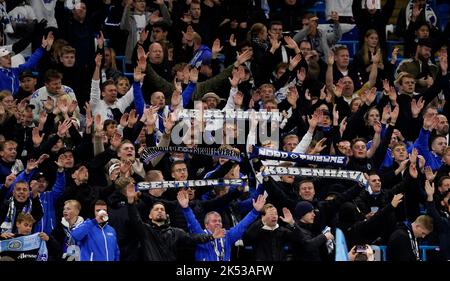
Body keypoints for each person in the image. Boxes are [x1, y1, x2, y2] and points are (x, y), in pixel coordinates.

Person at [126, 187, 225, 261]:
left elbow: (193, 238)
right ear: (150, 215)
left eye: (162, 209)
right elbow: (135, 219)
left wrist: (211, 237)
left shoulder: (175, 232)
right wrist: (130, 203)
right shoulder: (145, 230)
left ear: (166, 215)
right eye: (156, 209)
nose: (160, 211)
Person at [177, 188, 266, 261]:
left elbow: (242, 226)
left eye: (219, 221)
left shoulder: (227, 235)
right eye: (214, 221)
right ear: (206, 225)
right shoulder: (201, 236)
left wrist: (254, 212)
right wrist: (186, 208)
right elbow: (193, 223)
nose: (218, 223)